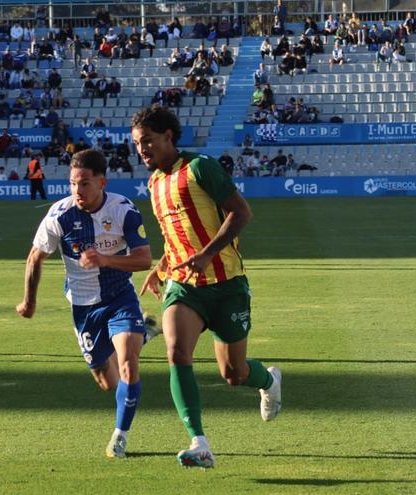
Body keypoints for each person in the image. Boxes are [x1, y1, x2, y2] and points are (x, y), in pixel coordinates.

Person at [130, 106, 281, 469]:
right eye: (137, 144)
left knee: (235, 374)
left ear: (169, 136)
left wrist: (206, 253)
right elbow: (173, 237)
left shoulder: (199, 168)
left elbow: (241, 211)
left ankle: (269, 380)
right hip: (185, 287)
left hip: (227, 285)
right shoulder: (154, 184)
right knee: (177, 351)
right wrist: (161, 267)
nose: (142, 150)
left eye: (148, 141)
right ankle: (199, 442)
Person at [16, 149, 161, 459]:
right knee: (108, 382)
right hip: (84, 306)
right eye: (72, 184)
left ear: (102, 182)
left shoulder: (123, 209)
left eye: (84, 184)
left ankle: (120, 436)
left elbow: (144, 259)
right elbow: (34, 257)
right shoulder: (60, 214)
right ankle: (144, 335)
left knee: (128, 366)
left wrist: (106, 259)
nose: (77, 191)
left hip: (120, 297)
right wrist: (29, 301)